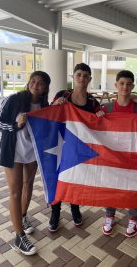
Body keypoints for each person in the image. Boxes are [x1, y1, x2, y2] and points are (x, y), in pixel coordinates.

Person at [0, 71, 51, 256]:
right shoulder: (14, 99)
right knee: (15, 191)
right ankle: (18, 237)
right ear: (28, 82)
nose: (35, 85)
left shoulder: (43, 105)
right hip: (13, 152)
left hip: (32, 152)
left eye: (40, 83)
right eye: (33, 81)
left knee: (28, 185)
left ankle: (23, 217)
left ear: (45, 88)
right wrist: (15, 125)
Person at [96, 70, 137, 238]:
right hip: (111, 158)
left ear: (133, 86)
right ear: (116, 85)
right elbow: (95, 130)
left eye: (128, 84)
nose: (125, 87)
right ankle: (109, 216)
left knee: (133, 187)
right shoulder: (106, 108)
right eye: (121, 83)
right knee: (110, 186)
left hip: (132, 157)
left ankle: (134, 217)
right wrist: (98, 117)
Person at [48, 63, 101, 232]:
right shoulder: (62, 94)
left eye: (85, 76)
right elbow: (49, 114)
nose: (82, 78)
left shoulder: (93, 101)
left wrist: (100, 116)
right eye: (78, 75)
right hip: (59, 145)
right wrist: (55, 104)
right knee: (57, 179)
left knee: (75, 178)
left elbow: (100, 125)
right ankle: (55, 213)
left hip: (78, 147)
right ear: (73, 77)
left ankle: (75, 209)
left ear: (90, 79)